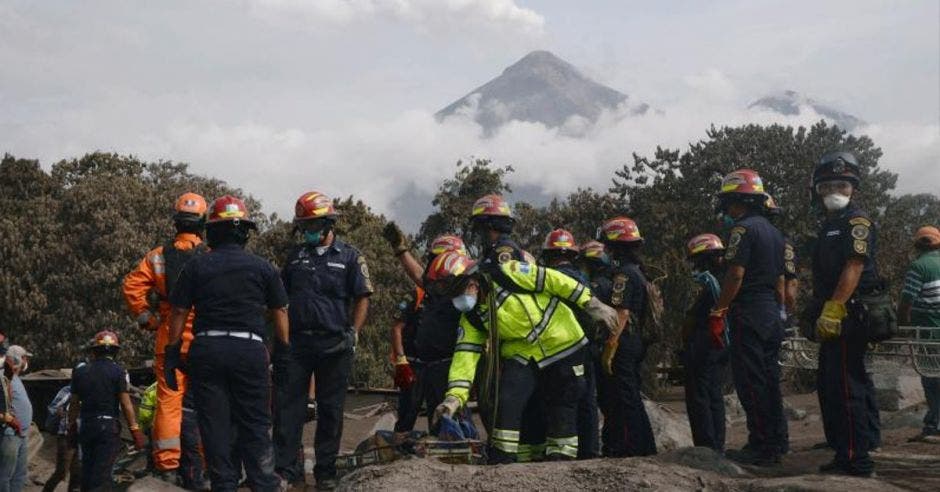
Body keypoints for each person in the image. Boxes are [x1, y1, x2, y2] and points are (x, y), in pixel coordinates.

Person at [431, 251, 620, 463]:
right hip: (523, 353)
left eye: (460, 289)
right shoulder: (472, 318)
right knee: (507, 400)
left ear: (473, 280)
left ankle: (561, 461)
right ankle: (505, 458)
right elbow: (464, 358)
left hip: (563, 343)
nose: (461, 297)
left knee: (562, 404)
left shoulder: (508, 273)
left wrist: (591, 303)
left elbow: (555, 280)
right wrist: (453, 398)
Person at [166, 195, 290, 492]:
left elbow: (179, 312)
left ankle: (224, 483)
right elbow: (281, 312)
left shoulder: (196, 267)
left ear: (212, 232)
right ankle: (263, 482)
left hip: (207, 351)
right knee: (255, 422)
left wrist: (172, 353)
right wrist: (283, 351)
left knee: (215, 426)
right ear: (245, 232)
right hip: (248, 351)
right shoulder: (264, 268)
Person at [274, 191, 372, 490]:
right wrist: (282, 340)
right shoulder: (294, 258)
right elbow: (280, 301)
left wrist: (353, 334)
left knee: (331, 410)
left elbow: (362, 297)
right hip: (298, 345)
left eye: (313, 225)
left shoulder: (351, 257)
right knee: (289, 410)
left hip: (335, 346)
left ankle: (326, 471)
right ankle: (287, 471)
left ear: (329, 224)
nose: (308, 231)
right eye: (304, 226)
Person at [122, 192, 208, 488]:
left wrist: (147, 317)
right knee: (206, 402)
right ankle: (204, 464)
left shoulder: (158, 255)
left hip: (168, 338)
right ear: (203, 223)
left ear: (176, 222)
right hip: (202, 340)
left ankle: (167, 465)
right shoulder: (210, 257)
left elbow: (132, 285)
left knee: (169, 403)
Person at [809, 151, 879, 477]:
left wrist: (834, 309)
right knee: (833, 383)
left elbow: (854, 266)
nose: (835, 191)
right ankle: (845, 451)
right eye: (827, 185)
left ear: (854, 188)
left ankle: (857, 458)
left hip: (848, 315)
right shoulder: (830, 223)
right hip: (833, 314)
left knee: (846, 386)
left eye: (842, 184)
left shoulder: (856, 222)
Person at [710, 169, 786, 466]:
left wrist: (719, 309)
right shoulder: (774, 232)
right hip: (770, 311)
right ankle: (778, 442)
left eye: (728, 203)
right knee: (770, 379)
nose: (727, 210)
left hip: (750, 311)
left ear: (737, 201)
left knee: (751, 381)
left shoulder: (743, 230)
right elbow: (780, 278)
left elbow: (736, 273)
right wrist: (780, 310)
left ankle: (761, 445)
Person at [381, 226, 467, 434]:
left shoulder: (465, 291)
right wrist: (401, 361)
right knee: (407, 414)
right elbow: (421, 277)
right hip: (417, 364)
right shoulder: (423, 292)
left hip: (447, 365)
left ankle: (448, 450)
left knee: (444, 416)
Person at [595, 217, 658, 457]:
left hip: (625, 342)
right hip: (636, 342)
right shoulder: (639, 272)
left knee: (626, 396)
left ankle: (635, 447)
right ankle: (637, 445)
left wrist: (611, 345)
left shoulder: (624, 275)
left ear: (614, 247)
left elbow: (622, 313)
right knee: (628, 395)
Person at [539, 229, 600, 459]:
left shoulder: (548, 280)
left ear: (548, 255)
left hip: (561, 349)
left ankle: (562, 453)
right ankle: (590, 450)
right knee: (587, 399)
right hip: (585, 347)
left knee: (561, 400)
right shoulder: (583, 280)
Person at [67, 331, 147, 491]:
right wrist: (135, 430)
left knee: (87, 471)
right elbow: (126, 403)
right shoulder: (118, 372)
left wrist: (71, 427)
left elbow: (74, 403)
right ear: (115, 351)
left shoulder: (81, 372)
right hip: (107, 428)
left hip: (86, 426)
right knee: (102, 475)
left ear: (94, 351)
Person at [682, 234, 729, 453]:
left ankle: (705, 444)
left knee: (698, 394)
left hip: (702, 341)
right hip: (721, 341)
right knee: (714, 393)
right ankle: (717, 443)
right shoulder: (727, 277)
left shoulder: (702, 280)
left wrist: (683, 341)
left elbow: (690, 316)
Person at [899, 225, 940, 442]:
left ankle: (934, 425)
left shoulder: (918, 266)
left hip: (928, 331)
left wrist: (900, 325)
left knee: (931, 378)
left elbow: (907, 300)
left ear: (917, 244)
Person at [1, 345, 32, 492]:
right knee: (5, 475)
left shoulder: (15, 378)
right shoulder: (3, 377)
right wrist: (9, 420)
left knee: (19, 475)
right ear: (16, 359)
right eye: (24, 358)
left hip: (22, 434)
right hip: (10, 433)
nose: (26, 362)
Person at [467, 194, 525, 266]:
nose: (478, 233)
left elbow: (495, 273)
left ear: (489, 225)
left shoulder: (506, 249)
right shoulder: (491, 251)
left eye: (479, 226)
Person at [42, 384, 80, 492]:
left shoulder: (93, 391)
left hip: (82, 436)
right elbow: (53, 407)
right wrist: (62, 414)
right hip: (67, 435)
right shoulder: (69, 389)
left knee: (77, 473)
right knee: (61, 471)